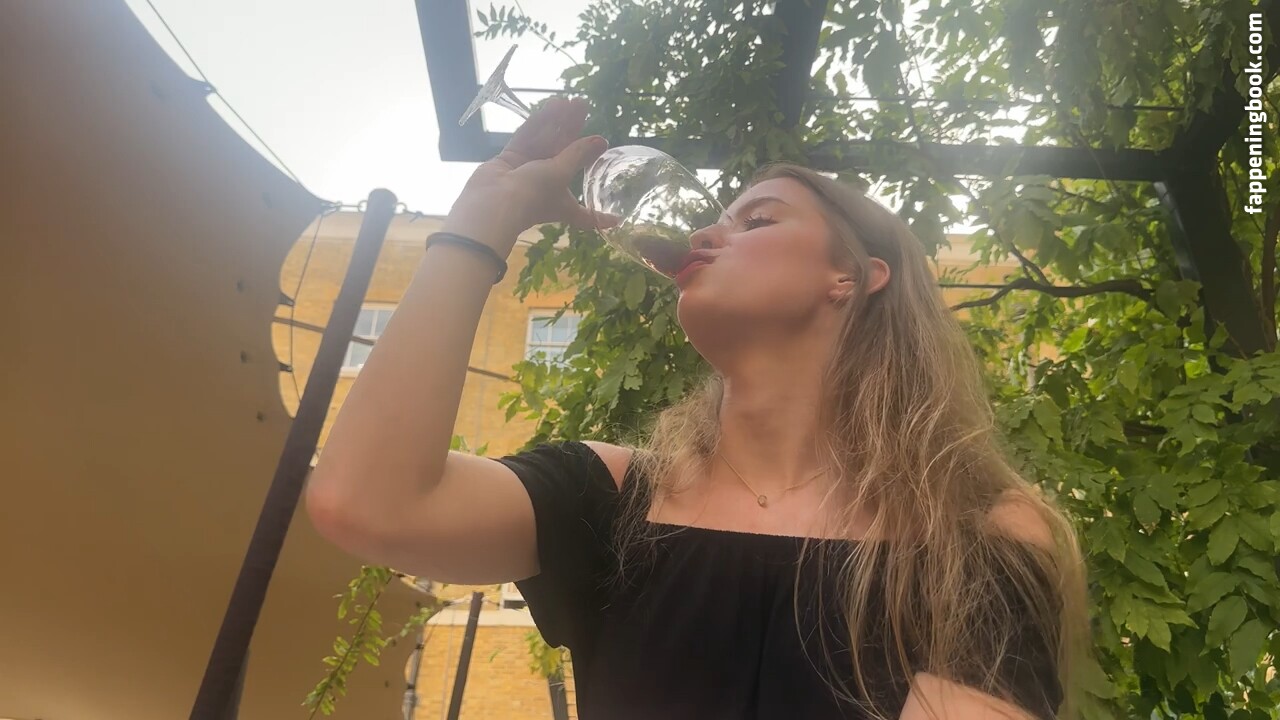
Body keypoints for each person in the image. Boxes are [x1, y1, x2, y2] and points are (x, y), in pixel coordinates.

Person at [306, 96, 1089, 720]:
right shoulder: (610, 499)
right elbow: (365, 502)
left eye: (758, 219)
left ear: (852, 277)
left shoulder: (975, 528)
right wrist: (484, 215)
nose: (708, 231)